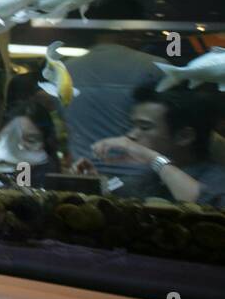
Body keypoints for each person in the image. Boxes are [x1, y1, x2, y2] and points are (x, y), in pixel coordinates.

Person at [63, 0, 166, 179]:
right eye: (141, 30)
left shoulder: (66, 69)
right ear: (129, 27)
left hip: (84, 174)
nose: (142, 37)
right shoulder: (155, 67)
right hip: (142, 177)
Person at [87, 83, 225, 207]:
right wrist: (90, 180)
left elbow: (203, 205)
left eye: (145, 127)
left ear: (184, 136)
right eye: (133, 126)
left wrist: (153, 158)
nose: (131, 135)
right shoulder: (150, 177)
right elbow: (116, 190)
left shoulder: (217, 178)